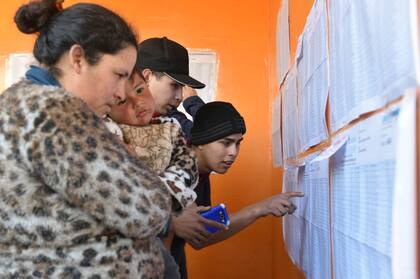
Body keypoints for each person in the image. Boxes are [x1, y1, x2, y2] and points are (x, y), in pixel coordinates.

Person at [0, 1, 171, 278]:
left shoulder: (20, 102)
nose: (120, 94)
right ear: (77, 58)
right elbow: (147, 209)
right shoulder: (54, 111)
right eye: (118, 76)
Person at [170, 101, 304, 278]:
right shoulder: (175, 169)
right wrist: (260, 208)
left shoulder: (201, 173)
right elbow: (199, 231)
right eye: (226, 143)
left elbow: (202, 236)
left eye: (238, 143)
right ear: (201, 142)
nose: (233, 152)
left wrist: (261, 209)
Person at [136, 37, 205, 118]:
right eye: (174, 85)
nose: (180, 97)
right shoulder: (119, 121)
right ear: (147, 77)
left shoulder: (173, 122)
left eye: (182, 87)